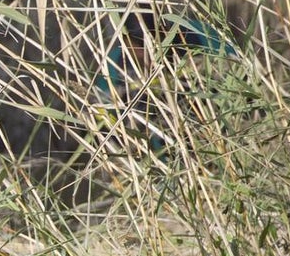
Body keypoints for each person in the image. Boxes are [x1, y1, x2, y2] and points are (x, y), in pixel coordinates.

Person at [93, 11, 237, 155]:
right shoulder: (113, 67)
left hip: (222, 134)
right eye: (142, 46)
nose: (152, 53)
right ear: (126, 41)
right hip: (164, 152)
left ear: (166, 30)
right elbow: (102, 120)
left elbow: (240, 73)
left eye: (158, 41)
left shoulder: (200, 36)